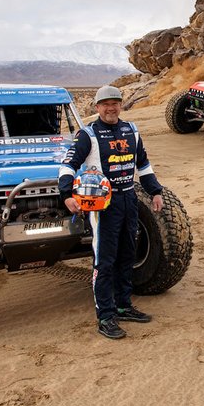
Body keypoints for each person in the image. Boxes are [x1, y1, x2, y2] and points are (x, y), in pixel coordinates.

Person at [59, 85, 164, 339]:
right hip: (103, 205)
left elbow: (144, 165)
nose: (111, 108)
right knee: (105, 261)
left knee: (127, 254)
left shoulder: (131, 131)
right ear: (97, 107)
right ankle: (105, 316)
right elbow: (68, 165)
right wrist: (67, 195)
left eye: (115, 102)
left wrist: (155, 191)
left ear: (120, 105)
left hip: (129, 198)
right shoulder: (88, 135)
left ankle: (123, 305)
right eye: (105, 104)